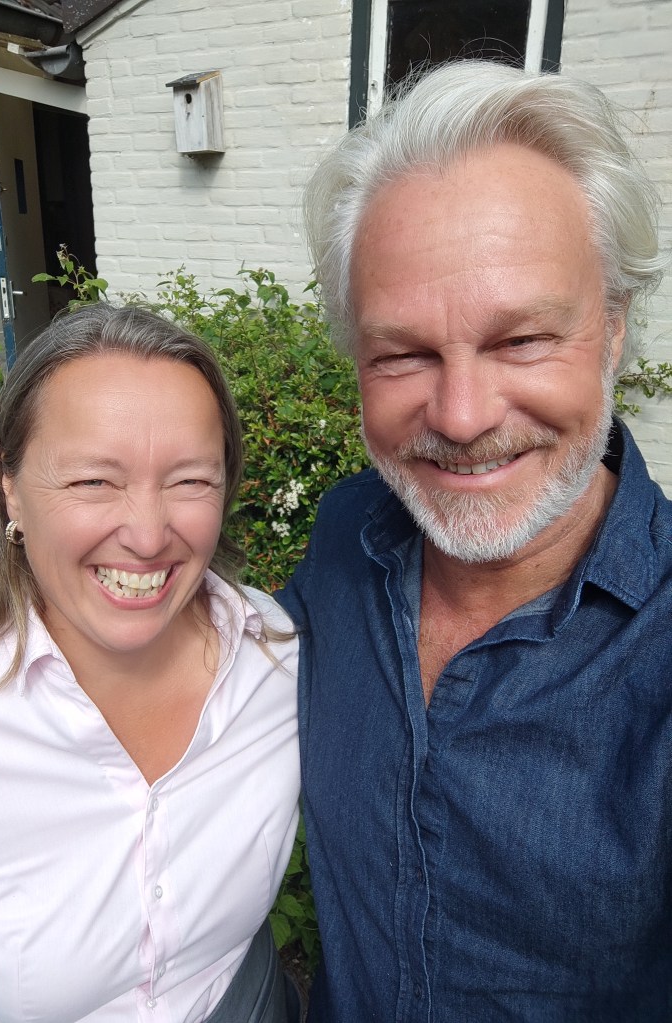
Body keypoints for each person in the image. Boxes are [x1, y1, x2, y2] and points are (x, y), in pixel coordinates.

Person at [278, 60, 672, 1021]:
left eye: (521, 340)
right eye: (404, 353)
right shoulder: (346, 540)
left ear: (614, 329)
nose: (460, 416)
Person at [0, 304, 301, 1022]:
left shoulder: (276, 655)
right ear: (9, 488)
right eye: (93, 481)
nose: (148, 535)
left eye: (191, 480)